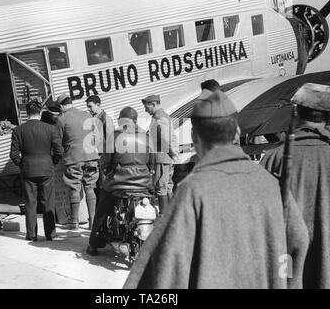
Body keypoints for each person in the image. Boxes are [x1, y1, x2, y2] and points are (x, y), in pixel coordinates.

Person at [124, 89, 309, 289]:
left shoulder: (192, 191)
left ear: (195, 138)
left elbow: (164, 266)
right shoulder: (273, 185)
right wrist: (284, 280)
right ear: (237, 133)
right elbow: (297, 242)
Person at [260, 83, 330, 289]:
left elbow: (262, 228)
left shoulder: (274, 159)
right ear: (328, 116)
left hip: (289, 275)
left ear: (296, 113)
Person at [86, 106, 153, 256]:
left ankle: (93, 244)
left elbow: (105, 162)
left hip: (119, 183)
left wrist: (106, 169)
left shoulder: (115, 136)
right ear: (135, 121)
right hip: (143, 184)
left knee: (102, 210)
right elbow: (152, 162)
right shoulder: (147, 137)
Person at [10, 100, 63, 241]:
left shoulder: (18, 130)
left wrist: (22, 164)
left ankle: (31, 234)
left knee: (30, 203)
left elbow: (14, 155)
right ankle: (50, 234)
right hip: (47, 168)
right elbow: (59, 151)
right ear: (40, 112)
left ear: (26, 113)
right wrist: (52, 162)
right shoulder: (50, 129)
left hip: (28, 169)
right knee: (48, 202)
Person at [55, 93, 100, 230]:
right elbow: (96, 137)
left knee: (74, 187)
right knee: (90, 187)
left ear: (62, 106)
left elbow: (58, 141)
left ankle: (74, 222)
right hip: (91, 157)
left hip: (74, 158)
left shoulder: (62, 119)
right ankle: (92, 221)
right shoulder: (87, 116)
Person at [142, 94, 178, 214]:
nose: (146, 110)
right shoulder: (159, 117)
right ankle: (171, 215)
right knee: (166, 186)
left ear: (154, 104)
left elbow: (166, 139)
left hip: (162, 157)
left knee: (161, 187)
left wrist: (173, 154)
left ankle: (165, 218)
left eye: (147, 107)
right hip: (163, 157)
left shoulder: (160, 118)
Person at [86, 95, 114, 207]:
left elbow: (111, 140)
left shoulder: (106, 118)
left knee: (103, 186)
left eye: (90, 106)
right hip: (95, 156)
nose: (89, 109)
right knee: (96, 186)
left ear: (98, 105)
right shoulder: (92, 118)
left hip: (103, 156)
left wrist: (108, 159)